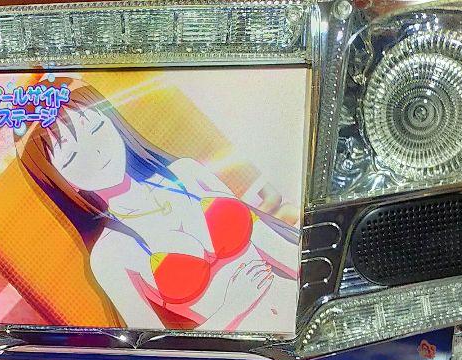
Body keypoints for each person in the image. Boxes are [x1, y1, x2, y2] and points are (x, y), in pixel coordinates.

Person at [16, 83, 300, 333]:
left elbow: (268, 240)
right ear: (62, 182)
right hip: (244, 348)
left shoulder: (186, 172)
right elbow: (154, 342)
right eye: (73, 157)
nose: (99, 152)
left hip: (296, 308)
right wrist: (231, 307)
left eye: (97, 128)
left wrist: (314, 280)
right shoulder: (109, 254)